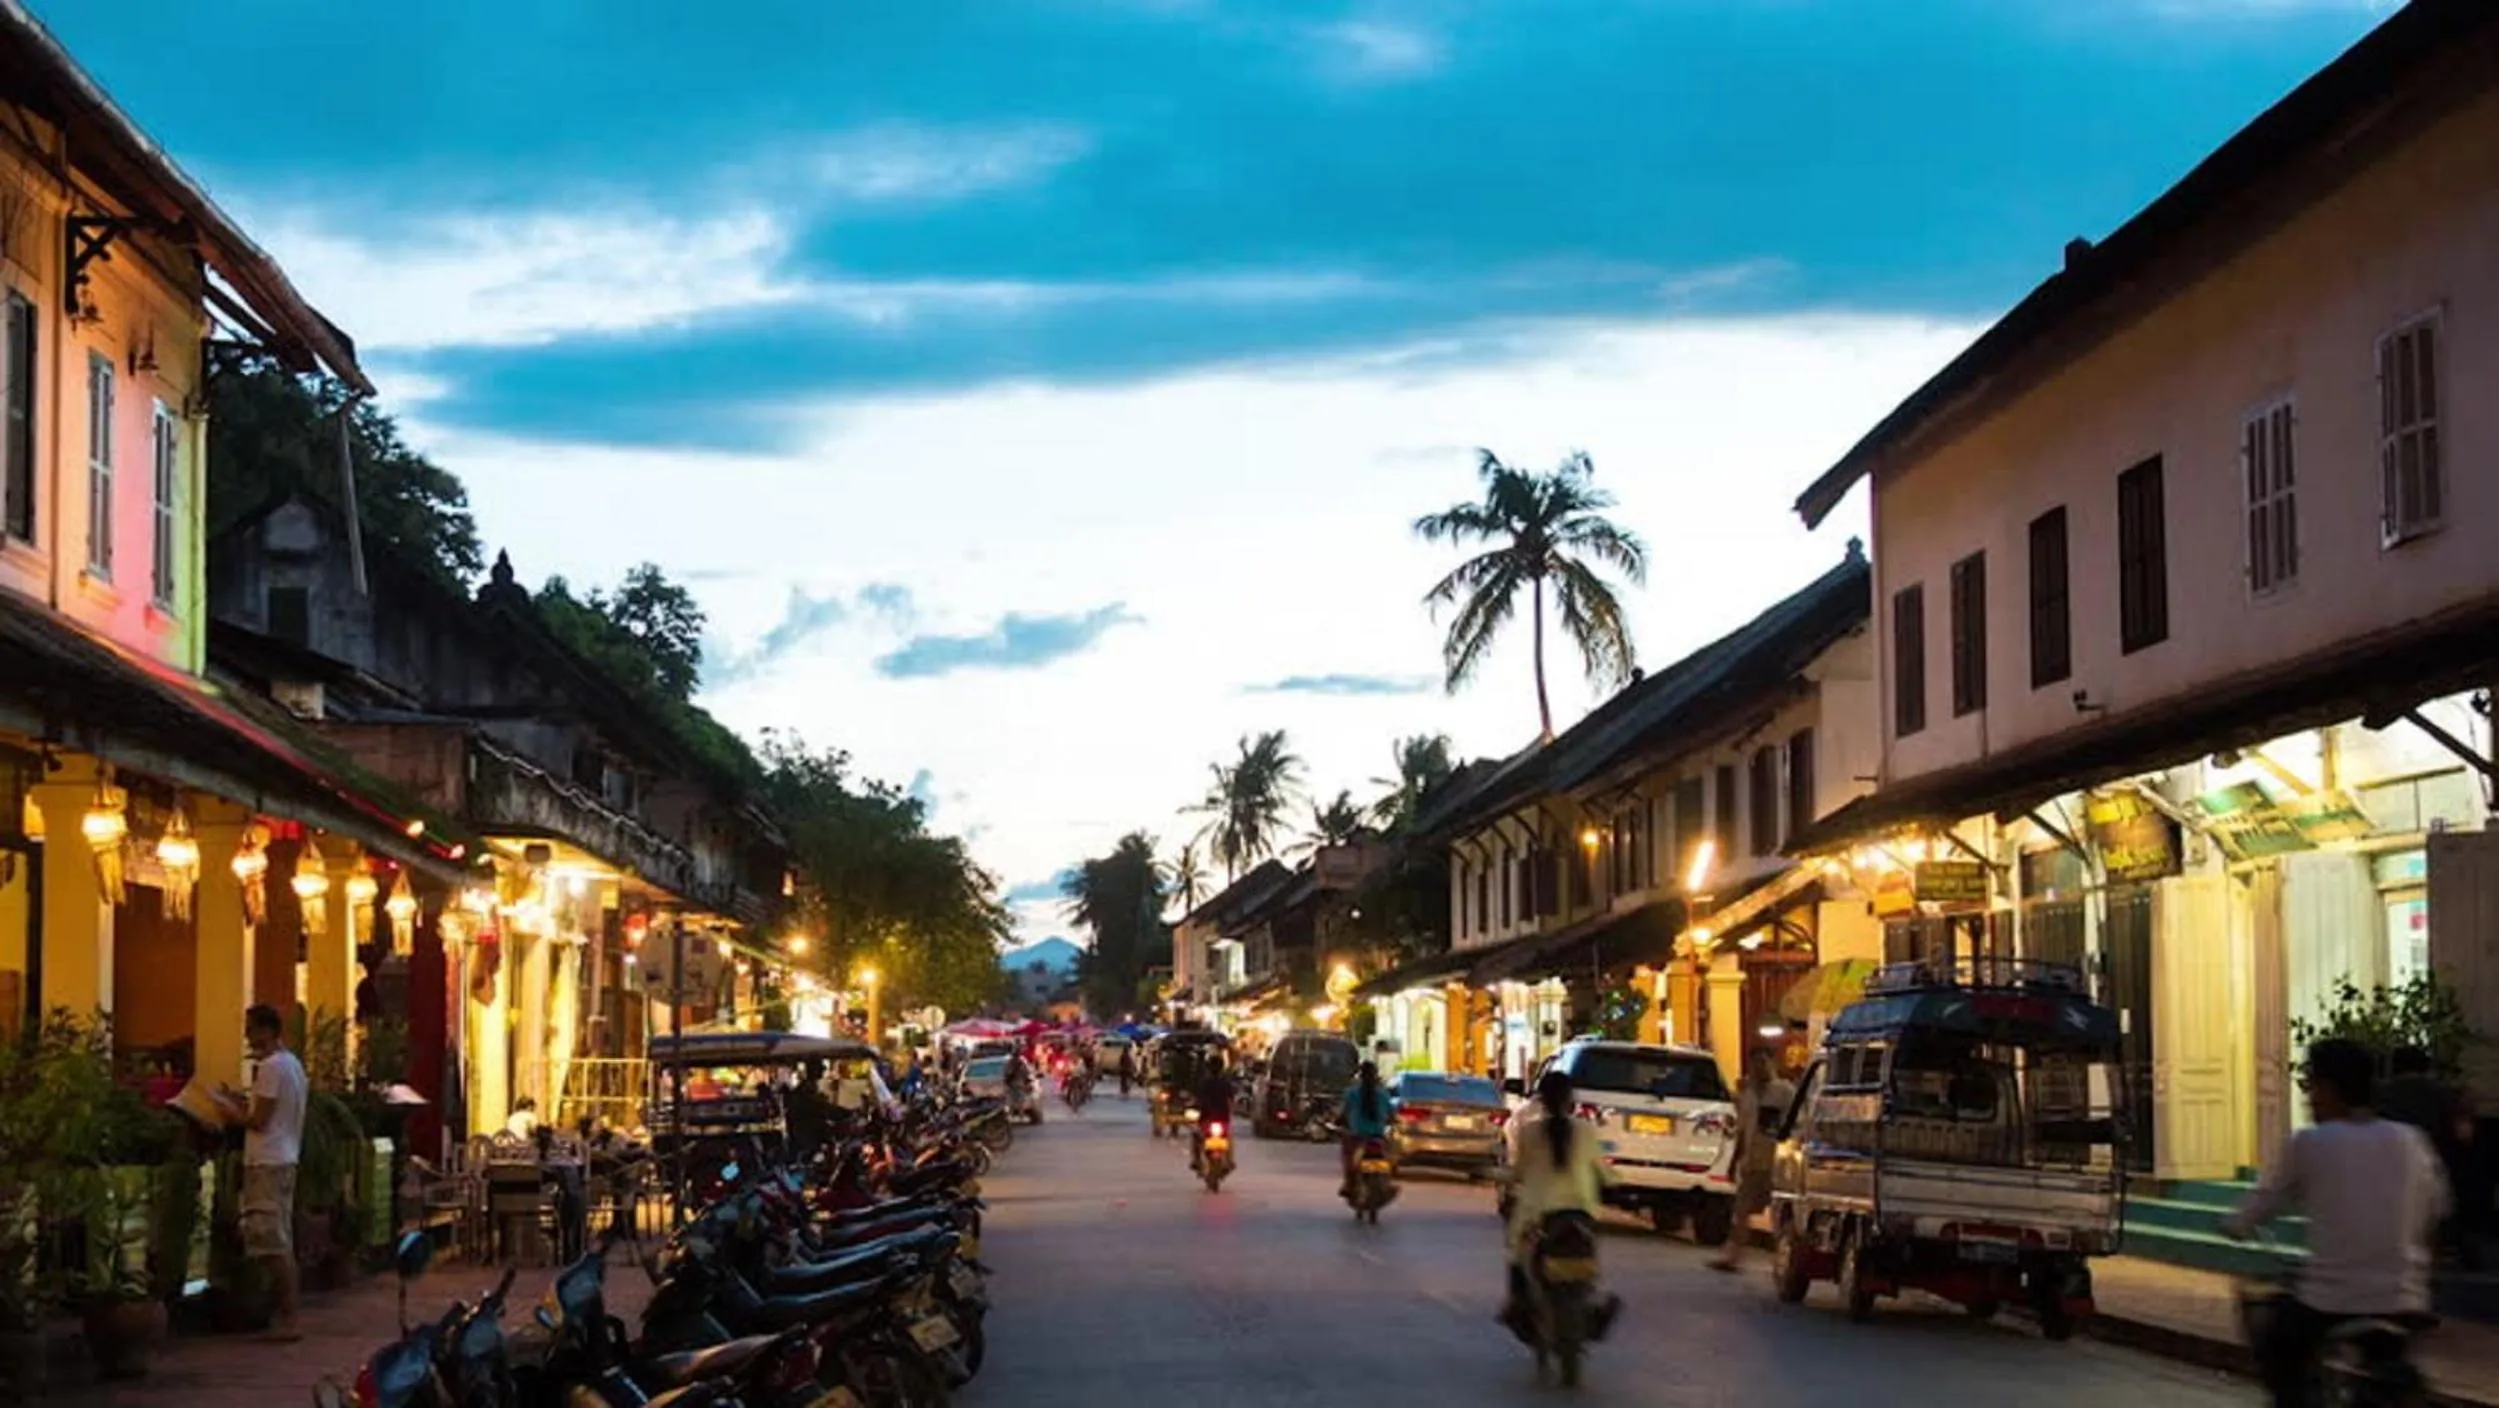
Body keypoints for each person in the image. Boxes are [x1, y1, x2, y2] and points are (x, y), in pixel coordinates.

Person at [2224, 1038, 2450, 1407]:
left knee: (2277, 1341)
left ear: (2328, 1088)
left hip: (2329, 1301)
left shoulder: (2310, 1143)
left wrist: (2236, 1224)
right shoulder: (2411, 1140)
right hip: (2402, 1300)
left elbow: (2264, 1201)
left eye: (2310, 1086)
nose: (2308, 1097)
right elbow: (2437, 1210)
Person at [216, 1004, 308, 1342]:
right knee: (277, 1239)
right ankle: (284, 1312)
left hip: (268, 1161)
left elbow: (259, 1121)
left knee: (273, 1243)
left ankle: (289, 1316)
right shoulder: (293, 1066)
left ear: (267, 1031)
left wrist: (228, 1112)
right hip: (283, 1157)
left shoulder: (271, 1067)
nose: (247, 1036)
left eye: (251, 1029)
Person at [1502, 1069, 1616, 1336]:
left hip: (1537, 1215)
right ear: (1570, 1101)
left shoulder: (1530, 1133)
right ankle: (1591, 1301)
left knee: (1516, 1255)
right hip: (1581, 1212)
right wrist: (1613, 1183)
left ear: (1541, 1100)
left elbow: (1519, 1172)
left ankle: (1517, 1304)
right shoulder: (1586, 1131)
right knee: (1589, 1259)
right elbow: (1603, 1171)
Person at [1711, 1049, 1796, 1272]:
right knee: (1741, 1211)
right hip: (1752, 1162)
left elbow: (1795, 1124)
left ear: (1772, 1064)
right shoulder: (1748, 1096)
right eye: (1754, 1064)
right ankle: (1733, 1257)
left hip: (1778, 1163)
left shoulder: (1784, 1093)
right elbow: (1742, 1132)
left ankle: (1783, 1261)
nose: (1759, 1069)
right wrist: (1733, 1162)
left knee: (1781, 1216)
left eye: (1763, 1063)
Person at [1339, 1061, 1394, 1195]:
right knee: (1389, 1155)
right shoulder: (1383, 1094)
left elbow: (1344, 1113)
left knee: (1348, 1155)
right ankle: (1387, 1182)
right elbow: (1391, 1115)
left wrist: (1339, 1122)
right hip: (1377, 1136)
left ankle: (1349, 1183)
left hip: (1357, 1136)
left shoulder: (1352, 1093)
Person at [1191, 1053, 1238, 1172]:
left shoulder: (1204, 1082)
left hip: (1206, 1118)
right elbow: (1231, 1099)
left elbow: (1197, 1098)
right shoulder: (1226, 1082)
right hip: (1223, 1118)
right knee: (1228, 1138)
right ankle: (1230, 1160)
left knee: (1196, 1137)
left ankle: (1196, 1160)